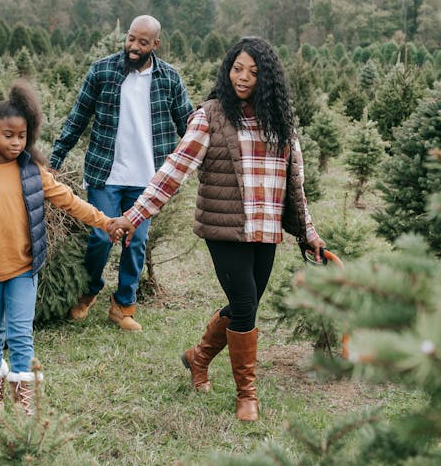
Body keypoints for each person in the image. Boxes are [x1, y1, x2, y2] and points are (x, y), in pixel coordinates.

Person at [111, 36, 325, 421]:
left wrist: (308, 232)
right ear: (228, 70)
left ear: (268, 79)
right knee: (245, 305)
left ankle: (198, 358)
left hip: (266, 229)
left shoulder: (281, 122)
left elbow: (296, 184)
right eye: (237, 68)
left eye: (254, 72)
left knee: (247, 304)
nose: (243, 78)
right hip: (224, 226)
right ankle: (247, 395)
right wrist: (135, 214)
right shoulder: (210, 115)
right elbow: (174, 169)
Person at [0, 81, 121, 414]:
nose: (15, 142)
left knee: (22, 334)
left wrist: (105, 221)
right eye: (8, 135)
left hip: (23, 271)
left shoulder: (31, 172)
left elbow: (69, 201)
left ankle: (23, 402)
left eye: (22, 136)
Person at [49, 15, 193, 331]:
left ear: (155, 44)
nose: (134, 46)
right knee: (101, 236)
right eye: (131, 38)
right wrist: (54, 160)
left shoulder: (168, 79)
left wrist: (201, 163)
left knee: (135, 241)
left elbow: (190, 125)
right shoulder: (102, 71)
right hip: (106, 172)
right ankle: (88, 289)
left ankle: (123, 306)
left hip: (148, 180)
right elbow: (77, 118)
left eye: (142, 42)